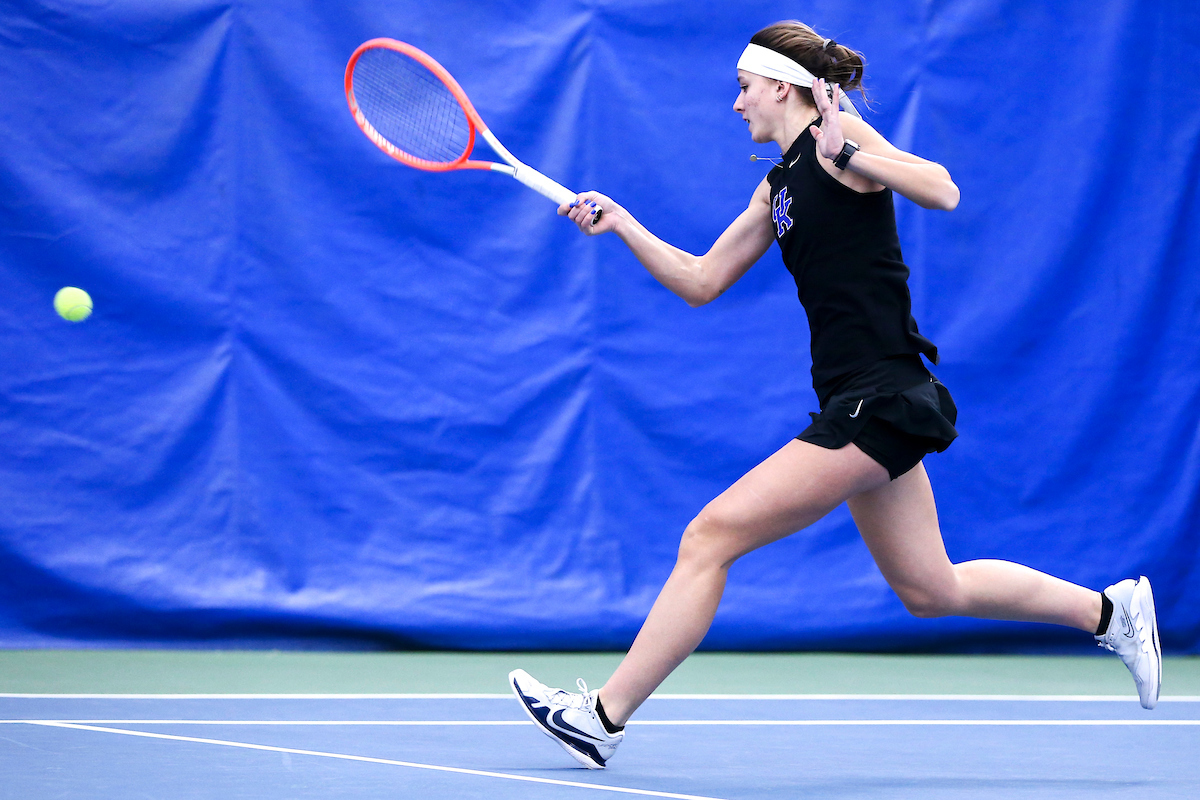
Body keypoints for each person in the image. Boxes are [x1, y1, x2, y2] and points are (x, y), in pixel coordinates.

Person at [508, 20, 1162, 770]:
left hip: (880, 394)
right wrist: (622, 223)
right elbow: (701, 281)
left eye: (744, 87)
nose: (736, 104)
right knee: (929, 588)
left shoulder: (842, 141)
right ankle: (1111, 613)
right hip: (857, 395)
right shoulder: (777, 183)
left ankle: (601, 718)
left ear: (782, 87)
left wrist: (848, 148)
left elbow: (943, 189)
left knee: (709, 537)